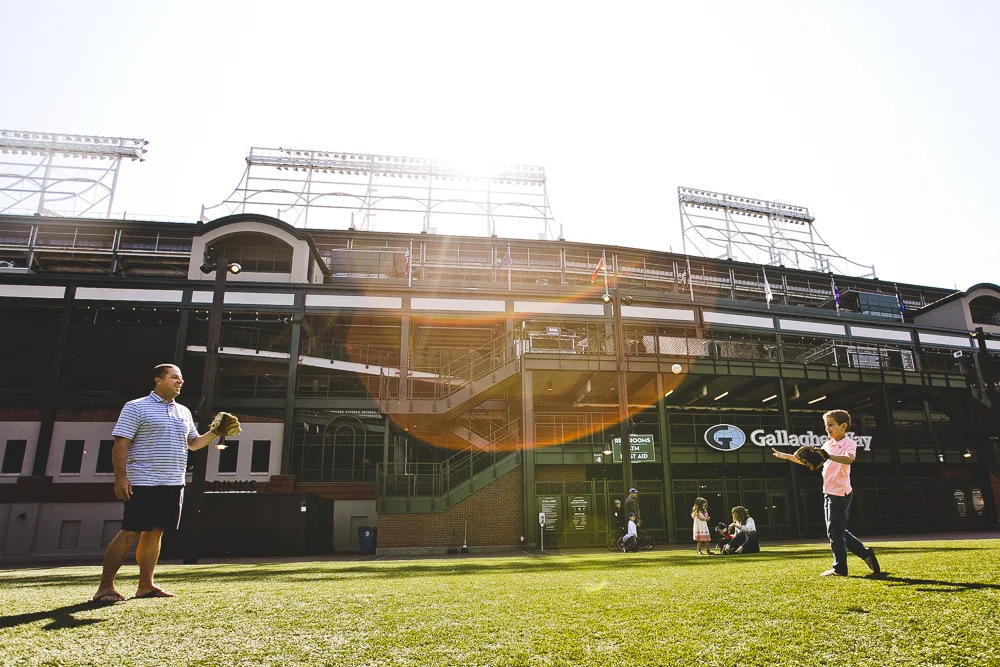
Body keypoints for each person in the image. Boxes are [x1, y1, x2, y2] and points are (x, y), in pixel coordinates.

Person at [92, 364, 231, 602]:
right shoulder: (136, 407)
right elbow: (121, 444)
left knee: (156, 533)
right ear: (158, 380)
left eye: (181, 378)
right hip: (144, 482)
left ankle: (145, 586)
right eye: (174, 377)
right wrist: (120, 477)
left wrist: (215, 432)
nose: (180, 382)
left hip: (173, 483)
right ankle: (105, 587)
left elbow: (194, 444)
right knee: (130, 532)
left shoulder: (184, 411)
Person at [772, 409, 881, 577]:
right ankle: (865, 554)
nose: (827, 428)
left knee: (834, 531)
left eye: (831, 425)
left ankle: (840, 568)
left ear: (843, 426)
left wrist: (827, 455)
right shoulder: (827, 445)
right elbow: (806, 461)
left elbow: (849, 459)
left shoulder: (849, 443)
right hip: (829, 492)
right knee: (837, 530)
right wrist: (786, 456)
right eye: (826, 425)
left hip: (840, 492)